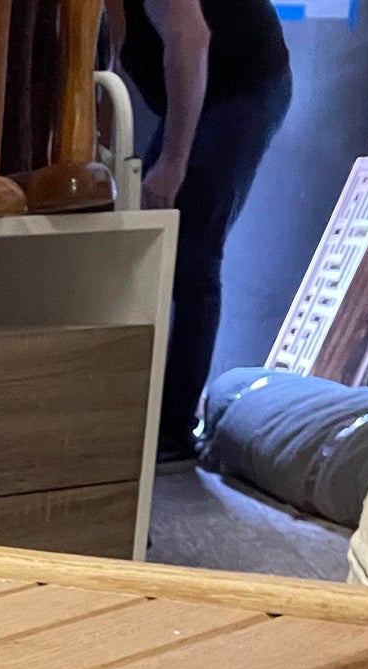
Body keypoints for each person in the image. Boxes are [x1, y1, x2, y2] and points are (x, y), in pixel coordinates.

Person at [106, 0, 292, 461]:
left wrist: (172, 163)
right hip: (193, 86)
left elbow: (191, 39)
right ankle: (131, 412)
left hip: (243, 86)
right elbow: (107, 69)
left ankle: (174, 431)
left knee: (193, 247)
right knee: (143, 236)